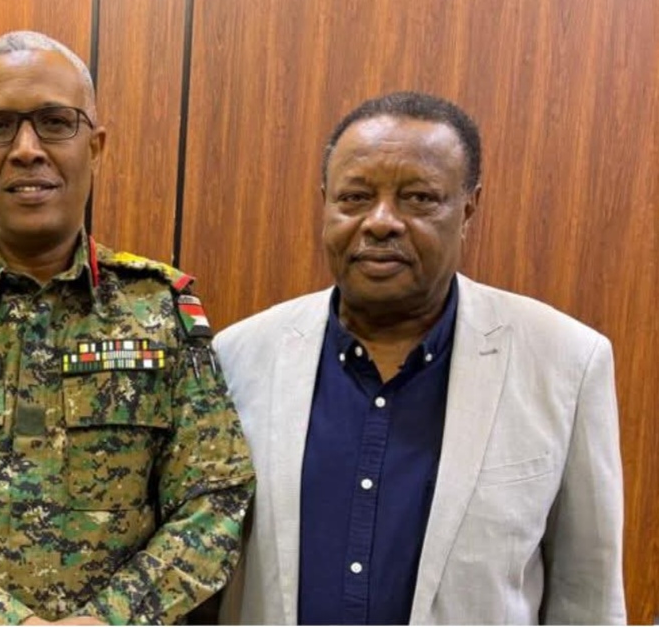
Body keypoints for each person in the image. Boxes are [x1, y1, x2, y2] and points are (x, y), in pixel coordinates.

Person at [0, 30, 255, 625]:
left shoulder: (161, 310)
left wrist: (105, 619)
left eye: (55, 123)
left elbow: (215, 498)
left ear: (96, 147)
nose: (26, 149)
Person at [212, 91, 625, 624]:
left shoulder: (566, 363)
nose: (381, 221)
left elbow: (588, 597)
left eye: (419, 199)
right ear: (326, 202)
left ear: (468, 207)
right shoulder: (238, 358)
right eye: (355, 197)